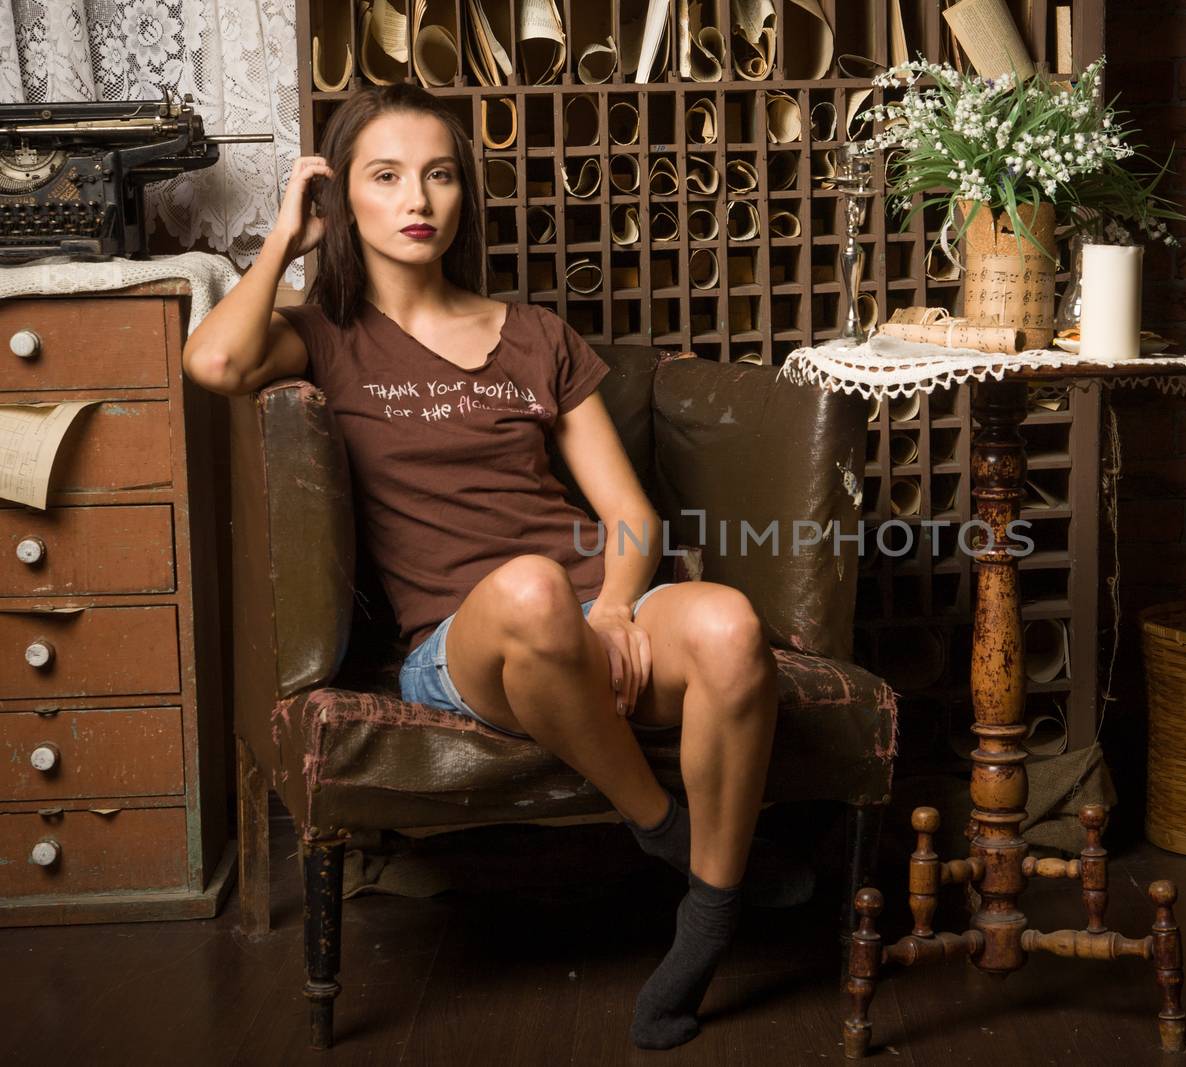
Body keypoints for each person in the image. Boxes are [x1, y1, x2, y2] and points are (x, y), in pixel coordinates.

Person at [181, 83, 779, 1050]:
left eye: (439, 175)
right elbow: (210, 365)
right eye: (385, 176)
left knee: (731, 626)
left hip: (588, 611)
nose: (417, 198)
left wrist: (618, 614)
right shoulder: (324, 336)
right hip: (464, 643)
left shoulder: (537, 335)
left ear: (463, 195)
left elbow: (627, 512)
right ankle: (664, 825)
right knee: (533, 586)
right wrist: (284, 241)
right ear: (344, 201)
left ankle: (707, 917)